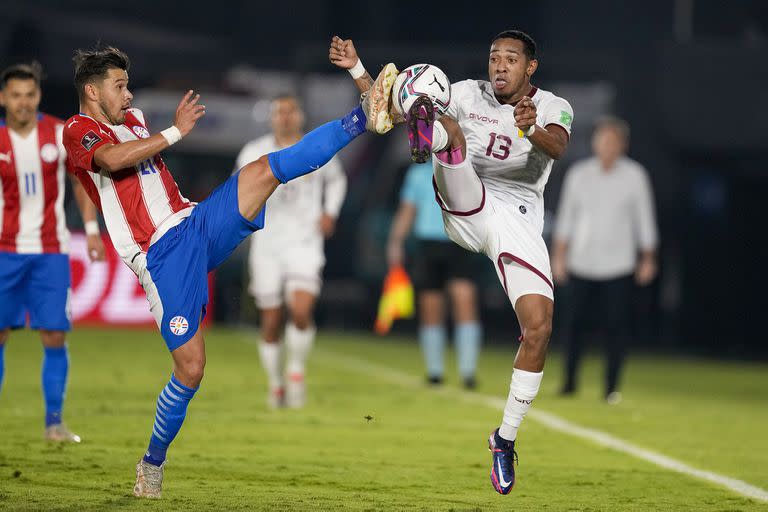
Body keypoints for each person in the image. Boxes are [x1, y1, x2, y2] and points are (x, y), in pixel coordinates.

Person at [62, 46, 397, 498]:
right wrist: (176, 132)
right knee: (192, 369)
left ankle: (361, 119)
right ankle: (152, 462)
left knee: (267, 170)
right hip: (160, 257)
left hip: (195, 223)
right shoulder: (78, 129)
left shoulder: (134, 117)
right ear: (91, 90)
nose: (128, 94)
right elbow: (112, 160)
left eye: (127, 84)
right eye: (118, 86)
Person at [330, 30, 573, 495]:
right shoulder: (463, 92)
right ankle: (432, 135)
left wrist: (530, 128)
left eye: (510, 60)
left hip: (519, 218)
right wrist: (361, 72)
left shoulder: (553, 104)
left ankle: (504, 440)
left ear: (530, 68)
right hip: (468, 200)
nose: (499, 66)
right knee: (448, 124)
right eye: (494, 57)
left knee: (539, 328)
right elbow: (382, 110)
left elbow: (558, 146)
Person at [0, 62, 105, 443]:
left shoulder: (59, 132)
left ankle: (54, 423)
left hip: (51, 252)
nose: (23, 102)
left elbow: (81, 182)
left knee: (55, 336)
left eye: (29, 95)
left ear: (38, 96)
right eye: (16, 95)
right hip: (4, 251)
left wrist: (92, 230)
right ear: (3, 98)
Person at [235, 95, 347, 409]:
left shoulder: (316, 146)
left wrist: (330, 211)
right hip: (267, 244)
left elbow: (337, 181)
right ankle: (275, 383)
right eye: (279, 112)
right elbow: (239, 187)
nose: (284, 117)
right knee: (270, 321)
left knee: (300, 311)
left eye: (290, 111)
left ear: (299, 116)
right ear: (272, 117)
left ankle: (296, 370)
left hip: (305, 242)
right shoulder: (254, 151)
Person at [551, 117, 658, 404]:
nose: (607, 146)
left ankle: (611, 387)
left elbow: (644, 221)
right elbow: (566, 219)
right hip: (581, 262)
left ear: (623, 145)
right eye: (602, 140)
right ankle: (569, 382)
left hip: (619, 264)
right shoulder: (579, 174)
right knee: (573, 325)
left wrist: (647, 258)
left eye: (613, 141)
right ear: (595, 143)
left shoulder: (635, 176)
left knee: (616, 326)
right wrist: (559, 257)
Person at [387, 159, 482, 389]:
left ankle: (468, 372)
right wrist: (395, 242)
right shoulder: (418, 172)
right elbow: (408, 209)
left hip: (461, 241)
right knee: (431, 306)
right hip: (428, 244)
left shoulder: (467, 168)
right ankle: (435, 372)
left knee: (465, 300)